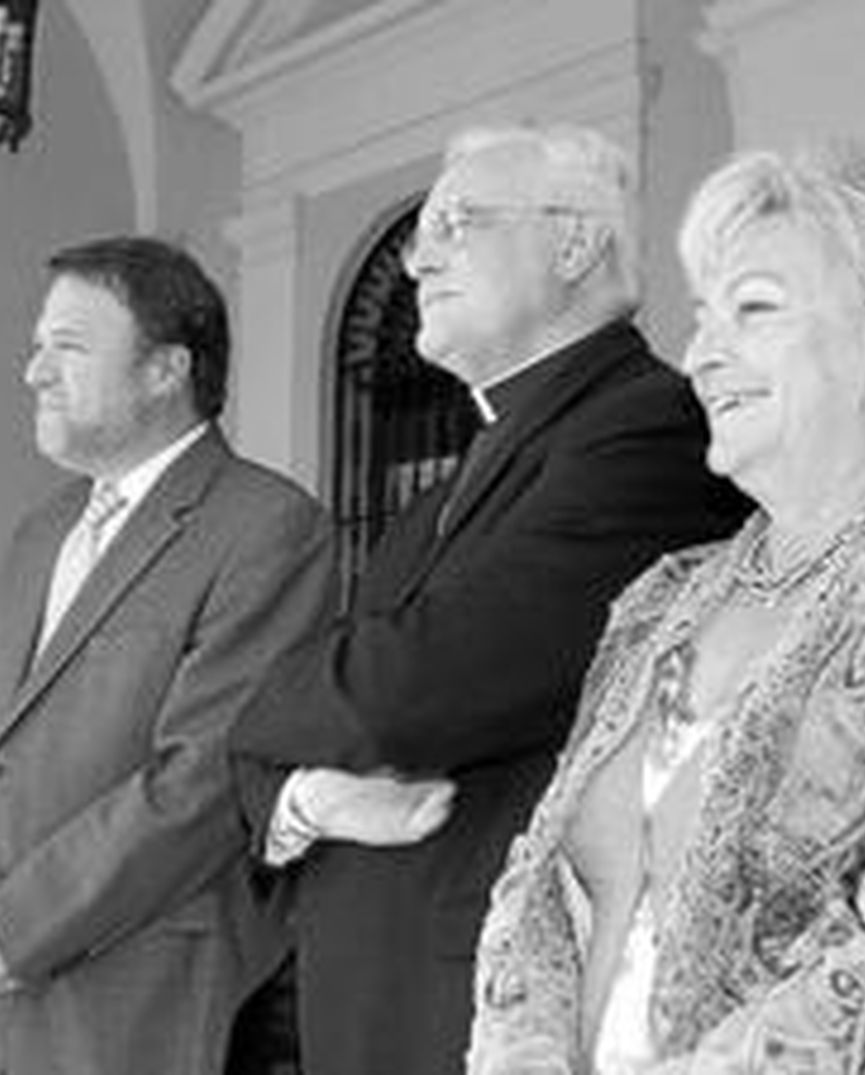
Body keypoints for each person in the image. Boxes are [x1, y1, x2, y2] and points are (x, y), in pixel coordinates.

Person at [468, 143, 865, 1073]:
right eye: (702, 317)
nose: (700, 355)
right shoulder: (659, 600)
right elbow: (532, 900)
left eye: (756, 310)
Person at [228, 125, 749, 1075]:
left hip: (493, 1011)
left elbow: (413, 687)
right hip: (374, 1002)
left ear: (574, 244)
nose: (421, 257)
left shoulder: (649, 431)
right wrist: (307, 790)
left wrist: (267, 714)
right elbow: (310, 730)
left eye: (458, 222)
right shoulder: (439, 495)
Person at [0, 235, 335, 1075]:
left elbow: (205, 778)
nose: (34, 371)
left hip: (141, 988)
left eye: (67, 346)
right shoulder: (39, 532)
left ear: (166, 370)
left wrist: (11, 928)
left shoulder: (266, 527)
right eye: (38, 346)